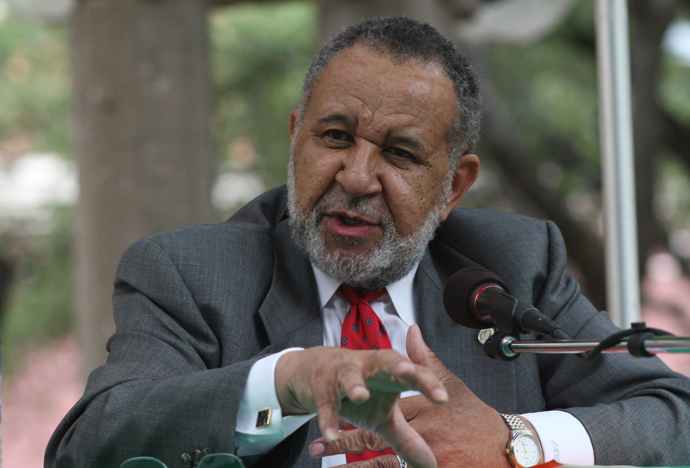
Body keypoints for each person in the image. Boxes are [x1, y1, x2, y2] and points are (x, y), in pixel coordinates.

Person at [46, 16, 690, 468]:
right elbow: (89, 445)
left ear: (454, 187)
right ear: (296, 136)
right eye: (333, 137)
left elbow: (672, 417)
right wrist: (287, 379)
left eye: (400, 153)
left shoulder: (513, 265)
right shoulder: (190, 272)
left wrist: (509, 439)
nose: (355, 178)